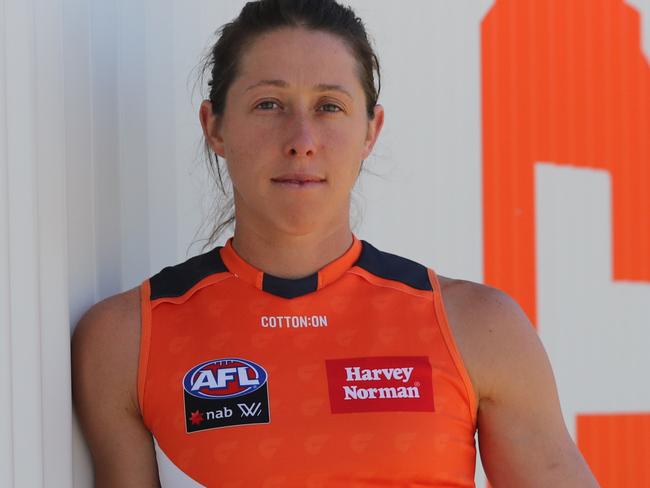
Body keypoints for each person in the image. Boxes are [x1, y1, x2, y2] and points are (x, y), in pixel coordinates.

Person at [71, 0, 600, 486]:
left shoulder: (478, 327)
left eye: (329, 106)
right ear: (215, 128)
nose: (301, 140)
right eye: (269, 104)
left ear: (371, 131)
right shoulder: (127, 339)